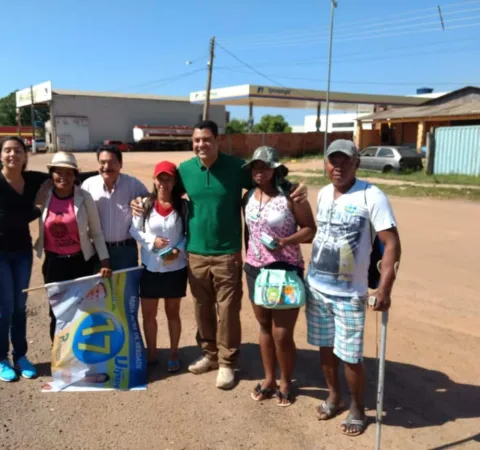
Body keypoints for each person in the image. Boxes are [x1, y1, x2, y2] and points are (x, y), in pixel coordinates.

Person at [131, 120, 308, 390]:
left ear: (217, 141)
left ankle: (227, 362)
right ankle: (209, 355)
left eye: (206, 139)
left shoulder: (236, 167)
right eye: (196, 140)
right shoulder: (186, 170)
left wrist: (294, 186)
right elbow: (164, 192)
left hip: (227, 253)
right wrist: (143, 199)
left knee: (227, 311)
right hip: (196, 252)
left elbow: (268, 177)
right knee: (202, 308)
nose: (200, 144)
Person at [306, 139, 401, 437]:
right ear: (326, 163)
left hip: (350, 293)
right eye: (333, 160)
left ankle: (357, 407)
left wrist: (384, 288)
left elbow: (392, 243)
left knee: (350, 355)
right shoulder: (322, 194)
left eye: (345, 160)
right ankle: (334, 396)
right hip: (317, 287)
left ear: (356, 163)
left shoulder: (371, 196)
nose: (338, 166)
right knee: (325, 348)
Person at [241, 146, 316, 405]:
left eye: (264, 166)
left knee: (282, 333)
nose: (259, 171)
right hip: (254, 269)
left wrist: (284, 242)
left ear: (274, 168)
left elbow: (310, 230)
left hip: (284, 270)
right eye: (255, 167)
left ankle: (286, 381)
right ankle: (269, 379)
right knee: (263, 328)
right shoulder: (248, 196)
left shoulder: (291, 196)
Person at [0, 136, 49, 382]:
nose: (12, 154)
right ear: (0, 156)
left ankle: (21, 356)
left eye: (18, 150)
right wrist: (37, 208)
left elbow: (63, 176)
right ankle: (0, 359)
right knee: (3, 309)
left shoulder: (33, 179)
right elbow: (1, 218)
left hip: (20, 252)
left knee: (19, 308)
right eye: (7, 150)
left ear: (25, 155)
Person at [34, 152, 112, 342]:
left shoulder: (84, 197)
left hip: (81, 263)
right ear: (51, 174)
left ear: (75, 175)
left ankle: (83, 358)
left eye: (69, 173)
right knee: (58, 312)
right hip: (54, 264)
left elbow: (96, 233)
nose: (64, 177)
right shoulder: (44, 197)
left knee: (83, 311)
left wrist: (104, 260)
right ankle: (60, 359)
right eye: (58, 172)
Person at [130, 161, 188, 373]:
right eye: (160, 178)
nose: (164, 182)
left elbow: (187, 235)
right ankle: (152, 352)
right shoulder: (144, 205)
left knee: (173, 313)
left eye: (168, 178)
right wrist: (151, 240)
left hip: (175, 269)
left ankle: (174, 352)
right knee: (149, 314)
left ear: (174, 181)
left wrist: (178, 251)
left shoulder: (183, 206)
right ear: (154, 180)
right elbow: (134, 230)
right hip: (150, 269)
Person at [81, 146, 149, 271]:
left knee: (127, 289)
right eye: (102, 162)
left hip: (126, 251)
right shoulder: (88, 186)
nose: (106, 166)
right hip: (97, 251)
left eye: (112, 162)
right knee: (100, 289)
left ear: (120, 164)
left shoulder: (133, 184)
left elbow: (151, 201)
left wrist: (142, 202)